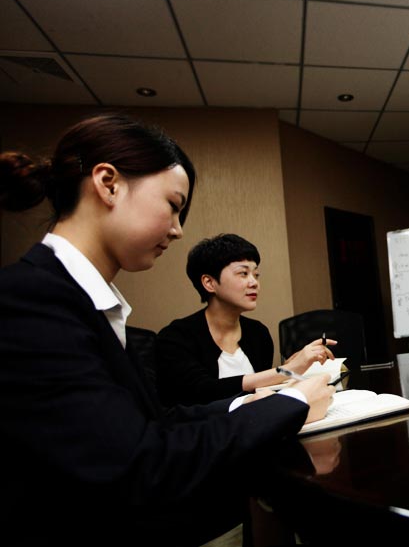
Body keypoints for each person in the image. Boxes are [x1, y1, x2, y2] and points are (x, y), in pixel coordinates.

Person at [0, 114, 334, 546]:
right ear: (108, 183)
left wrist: (255, 400)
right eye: (174, 205)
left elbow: (153, 423)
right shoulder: (29, 298)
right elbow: (137, 466)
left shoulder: (88, 304)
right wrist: (290, 401)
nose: (177, 230)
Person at [155, 233, 335, 406]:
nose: (254, 282)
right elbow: (202, 392)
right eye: (243, 273)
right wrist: (283, 372)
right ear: (209, 283)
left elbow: (259, 392)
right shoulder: (176, 336)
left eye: (256, 275)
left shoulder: (258, 333)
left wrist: (289, 369)